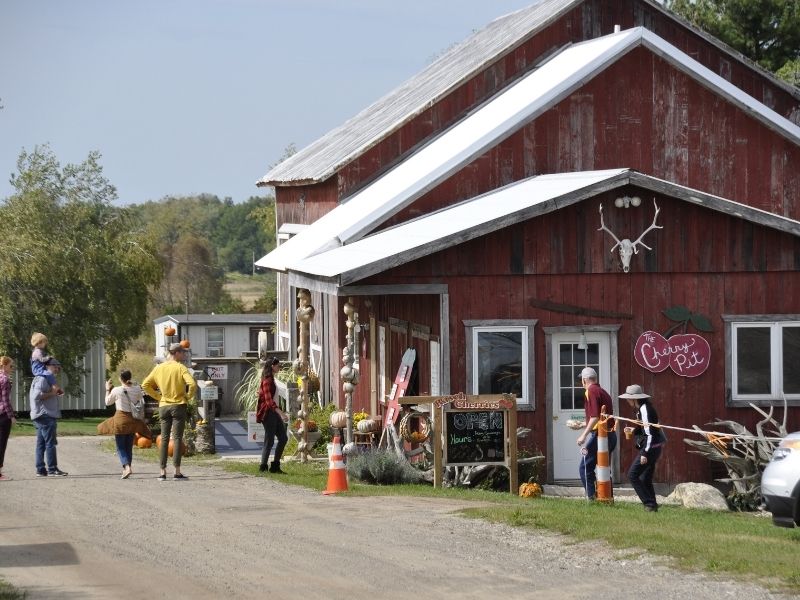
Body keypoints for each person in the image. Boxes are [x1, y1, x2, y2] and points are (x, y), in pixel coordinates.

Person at [141, 343, 197, 481]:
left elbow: (145, 385)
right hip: (178, 405)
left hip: (164, 406)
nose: (184, 355)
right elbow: (193, 384)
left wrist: (158, 397)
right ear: (176, 353)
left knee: (164, 438)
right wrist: (188, 396)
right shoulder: (180, 367)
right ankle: (177, 472)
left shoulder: (159, 368)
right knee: (177, 438)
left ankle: (162, 472)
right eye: (182, 353)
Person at [97, 369, 152, 479]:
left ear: (120, 378)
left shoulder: (117, 390)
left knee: (120, 447)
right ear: (130, 377)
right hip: (133, 420)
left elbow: (108, 402)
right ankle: (126, 469)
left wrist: (107, 389)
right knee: (128, 446)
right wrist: (133, 385)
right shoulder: (137, 389)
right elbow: (140, 399)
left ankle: (127, 467)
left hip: (121, 420)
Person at [620, 384, 666, 512]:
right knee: (645, 478)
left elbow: (650, 433)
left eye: (628, 398)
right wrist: (633, 430)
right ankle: (653, 506)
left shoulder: (645, 409)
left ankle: (649, 504)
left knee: (632, 475)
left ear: (635, 399)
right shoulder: (642, 409)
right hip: (654, 447)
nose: (627, 401)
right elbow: (643, 429)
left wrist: (645, 453)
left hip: (651, 448)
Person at [575, 366, 617, 500]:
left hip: (600, 436)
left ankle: (591, 497)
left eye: (581, 379)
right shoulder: (603, 392)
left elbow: (595, 418)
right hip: (610, 435)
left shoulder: (590, 391)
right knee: (603, 468)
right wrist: (582, 424)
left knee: (585, 467)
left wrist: (583, 435)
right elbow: (600, 418)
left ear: (584, 380)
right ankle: (607, 497)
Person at [30, 357, 67, 476]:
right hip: (45, 414)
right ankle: (52, 468)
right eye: (54, 365)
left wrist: (55, 392)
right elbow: (37, 395)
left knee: (41, 443)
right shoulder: (43, 378)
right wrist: (52, 393)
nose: (57, 368)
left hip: (41, 414)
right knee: (50, 443)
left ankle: (40, 469)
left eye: (58, 366)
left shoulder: (46, 378)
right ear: (46, 366)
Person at [256, 357, 288, 474]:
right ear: (272, 367)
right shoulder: (267, 380)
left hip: (274, 413)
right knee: (269, 441)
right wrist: (282, 413)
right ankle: (263, 466)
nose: (279, 367)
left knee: (283, 438)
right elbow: (269, 402)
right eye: (278, 366)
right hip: (269, 414)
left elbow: (265, 394)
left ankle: (275, 466)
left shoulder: (272, 379)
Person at [0, 356, 16, 481]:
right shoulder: (5, 379)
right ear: (4, 366)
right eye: (11, 366)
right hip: (3, 415)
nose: (12, 368)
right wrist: (11, 416)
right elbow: (5, 400)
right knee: (1, 443)